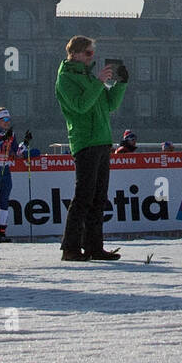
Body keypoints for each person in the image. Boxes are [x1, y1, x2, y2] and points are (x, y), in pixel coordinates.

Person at [55, 36, 127, 261]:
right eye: (87, 53)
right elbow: (80, 106)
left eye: (92, 53)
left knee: (98, 197)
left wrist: (121, 84)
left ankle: (94, 247)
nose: (91, 57)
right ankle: (70, 248)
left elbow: (110, 105)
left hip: (102, 140)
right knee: (83, 197)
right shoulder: (65, 79)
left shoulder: (89, 76)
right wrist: (98, 82)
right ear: (74, 53)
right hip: (85, 142)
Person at [0, 108, 34, 242]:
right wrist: (3, 140)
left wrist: (25, 143)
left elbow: (17, 153)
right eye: (4, 120)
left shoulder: (11, 134)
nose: (7, 123)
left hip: (5, 171)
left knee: (4, 202)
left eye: (8, 120)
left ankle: (2, 233)